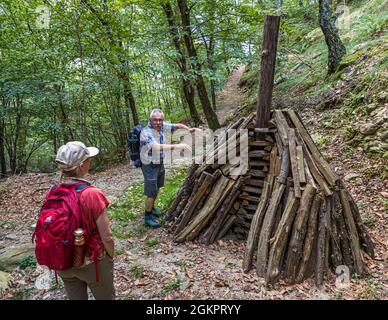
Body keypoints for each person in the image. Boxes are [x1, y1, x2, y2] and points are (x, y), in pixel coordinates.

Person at [54, 141, 115, 300]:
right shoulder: (92, 194)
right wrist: (110, 256)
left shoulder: (54, 192)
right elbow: (107, 235)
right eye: (88, 159)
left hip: (63, 261)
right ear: (81, 166)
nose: (90, 161)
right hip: (91, 262)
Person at [140, 108, 199, 228]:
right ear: (150, 120)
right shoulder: (146, 132)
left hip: (159, 163)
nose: (158, 122)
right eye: (155, 120)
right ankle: (147, 217)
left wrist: (189, 129)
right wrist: (177, 146)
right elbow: (156, 147)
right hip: (149, 164)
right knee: (151, 192)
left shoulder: (162, 126)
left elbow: (176, 126)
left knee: (157, 187)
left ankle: (152, 208)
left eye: (160, 120)